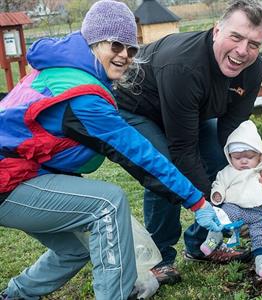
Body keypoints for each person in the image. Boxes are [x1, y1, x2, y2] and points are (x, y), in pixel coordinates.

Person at [0, 1, 222, 299]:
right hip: (8, 182)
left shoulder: (63, 69)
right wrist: (197, 202)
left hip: (20, 175)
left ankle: (15, 295)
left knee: (75, 249)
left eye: (131, 50)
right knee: (108, 203)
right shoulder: (84, 97)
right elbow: (140, 156)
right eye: (116, 45)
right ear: (94, 41)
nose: (124, 56)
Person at [115, 0, 262, 285]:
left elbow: (233, 134)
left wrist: (253, 171)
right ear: (216, 31)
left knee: (220, 157)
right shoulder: (184, 65)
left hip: (187, 111)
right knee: (164, 168)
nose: (242, 51)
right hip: (136, 108)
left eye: (253, 44)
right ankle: (159, 257)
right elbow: (183, 150)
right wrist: (212, 207)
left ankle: (202, 245)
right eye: (236, 37)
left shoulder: (253, 68)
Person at [200, 120, 262, 280]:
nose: (243, 161)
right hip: (233, 207)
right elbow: (218, 184)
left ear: (259, 154)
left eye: (249, 157)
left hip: (257, 212)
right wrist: (217, 195)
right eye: (237, 157)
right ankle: (211, 244)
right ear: (229, 156)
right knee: (220, 220)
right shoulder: (227, 171)